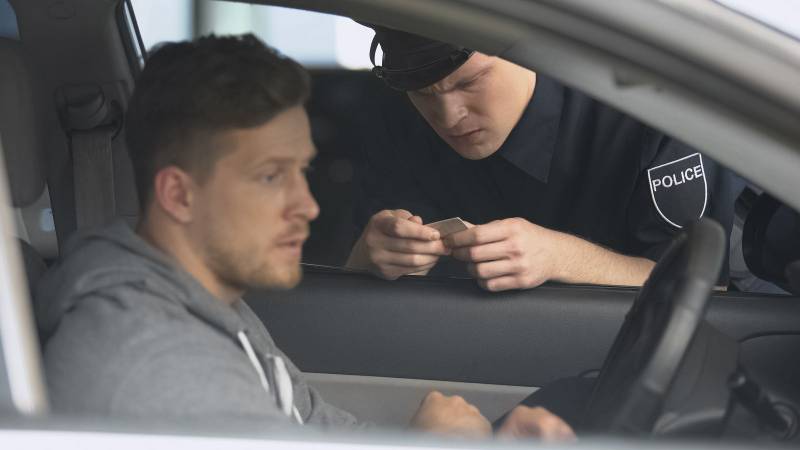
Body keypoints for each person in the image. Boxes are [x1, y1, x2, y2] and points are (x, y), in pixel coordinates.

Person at [35, 34, 574, 441]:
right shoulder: (154, 369)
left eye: (302, 171)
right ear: (179, 194)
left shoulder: (207, 307)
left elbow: (312, 428)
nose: (309, 206)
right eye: (271, 176)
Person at [347, 25, 741, 290]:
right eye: (424, 95)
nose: (449, 117)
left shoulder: (645, 116)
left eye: (471, 82)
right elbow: (345, 307)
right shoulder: (394, 125)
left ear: (532, 51)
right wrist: (368, 261)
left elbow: (705, 291)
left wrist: (561, 258)